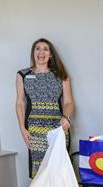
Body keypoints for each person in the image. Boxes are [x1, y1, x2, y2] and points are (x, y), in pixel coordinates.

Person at [16, 38, 74, 178]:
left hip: (58, 129)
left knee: (59, 173)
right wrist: (22, 129)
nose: (41, 52)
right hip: (34, 130)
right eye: (37, 48)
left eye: (45, 49)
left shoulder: (61, 75)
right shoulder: (23, 75)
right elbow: (20, 103)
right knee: (40, 173)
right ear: (33, 52)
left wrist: (65, 117)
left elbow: (69, 102)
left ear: (51, 54)